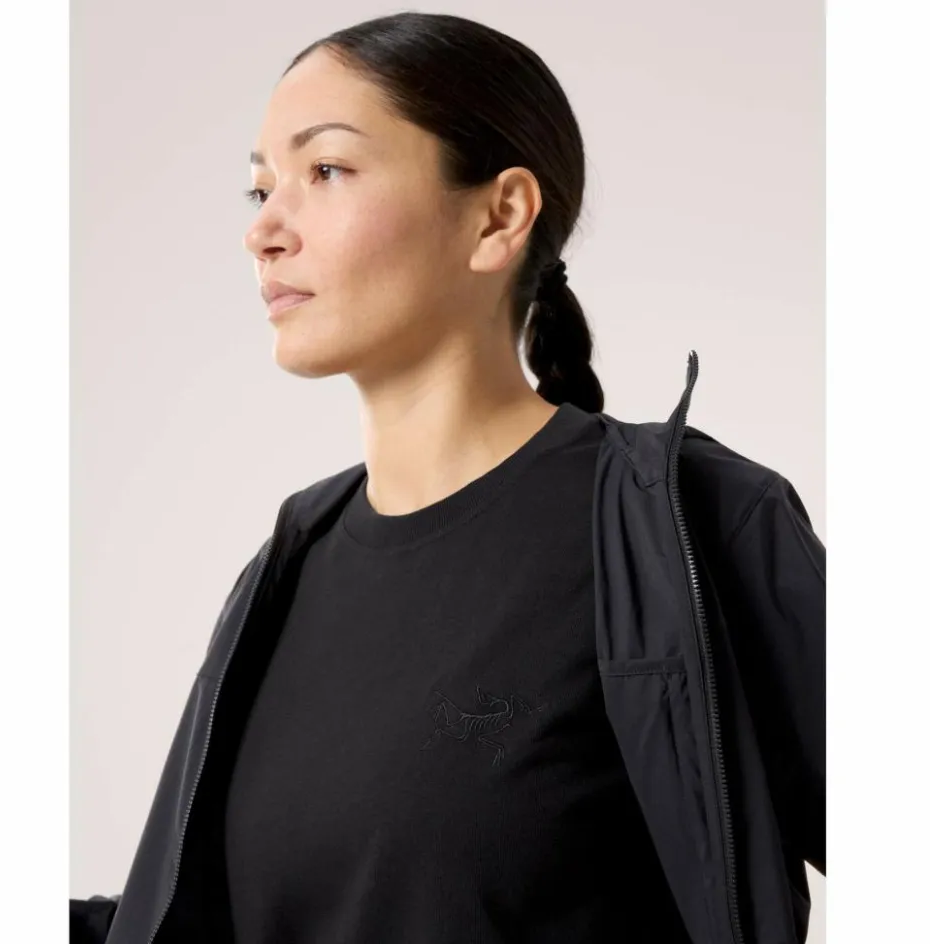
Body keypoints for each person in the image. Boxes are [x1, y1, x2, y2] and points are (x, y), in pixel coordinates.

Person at [71, 11, 824, 944]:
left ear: (499, 216)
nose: (262, 230)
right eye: (260, 187)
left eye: (326, 170)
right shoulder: (289, 565)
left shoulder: (690, 525)